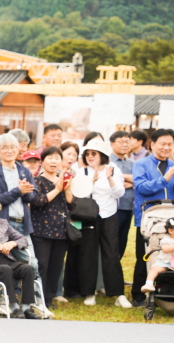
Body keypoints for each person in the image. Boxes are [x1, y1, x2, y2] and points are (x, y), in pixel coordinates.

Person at [63, 138, 129, 308]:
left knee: (111, 254)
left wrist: (110, 179)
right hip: (89, 216)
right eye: (88, 154)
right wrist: (90, 182)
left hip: (109, 215)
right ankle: (89, 293)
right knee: (88, 254)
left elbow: (119, 193)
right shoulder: (82, 171)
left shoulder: (113, 169)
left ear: (102, 155)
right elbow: (78, 195)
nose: (90, 157)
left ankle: (118, 293)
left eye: (94, 153)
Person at [130, 128, 174, 306]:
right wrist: (164, 179)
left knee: (169, 257)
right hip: (148, 220)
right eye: (163, 144)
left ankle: (165, 293)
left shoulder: (172, 164)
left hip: (171, 220)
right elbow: (141, 187)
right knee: (145, 256)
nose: (166, 147)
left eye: (170, 144)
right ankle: (138, 295)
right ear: (152, 144)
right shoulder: (141, 164)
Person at [29, 147, 74, 308]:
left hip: (60, 230)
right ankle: (38, 298)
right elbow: (38, 201)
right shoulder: (37, 181)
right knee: (42, 265)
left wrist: (67, 189)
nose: (53, 161)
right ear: (43, 161)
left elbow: (72, 205)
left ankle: (49, 298)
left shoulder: (63, 180)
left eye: (57, 158)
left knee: (56, 266)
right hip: (41, 230)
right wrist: (57, 189)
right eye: (50, 158)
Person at [109, 131, 134, 259]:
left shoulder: (132, 163)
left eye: (127, 141)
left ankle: (117, 266)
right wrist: (129, 181)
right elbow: (111, 184)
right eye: (121, 142)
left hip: (128, 207)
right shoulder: (107, 162)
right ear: (112, 144)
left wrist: (121, 178)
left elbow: (138, 180)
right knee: (112, 241)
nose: (125, 144)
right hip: (114, 208)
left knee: (122, 241)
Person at [141, 218, 174, 292]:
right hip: (165, 263)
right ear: (171, 231)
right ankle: (149, 284)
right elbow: (165, 249)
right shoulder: (166, 240)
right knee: (154, 269)